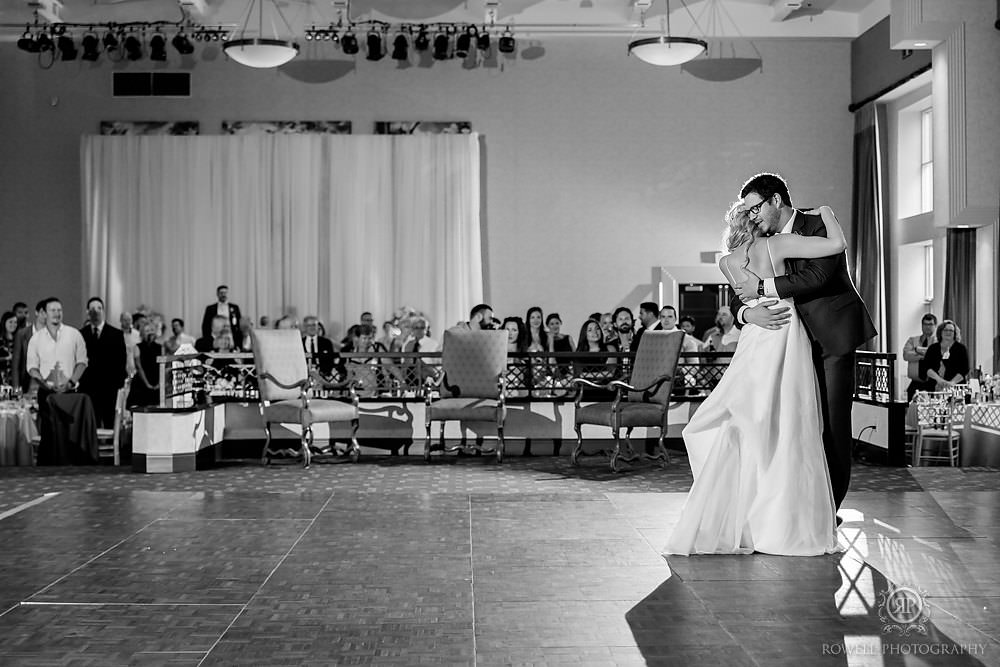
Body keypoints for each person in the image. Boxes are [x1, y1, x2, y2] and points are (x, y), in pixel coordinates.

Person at [664, 198, 863, 557]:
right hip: (785, 334)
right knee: (790, 423)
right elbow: (835, 246)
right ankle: (787, 518)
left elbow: (742, 304)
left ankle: (749, 518)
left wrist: (745, 315)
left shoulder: (726, 261)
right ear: (754, 222)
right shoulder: (775, 245)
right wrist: (829, 214)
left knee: (752, 420)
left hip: (755, 340)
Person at [730, 173, 876, 516]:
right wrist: (747, 316)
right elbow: (739, 291)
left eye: (756, 208)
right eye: (748, 212)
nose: (752, 216)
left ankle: (828, 511)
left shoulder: (819, 223)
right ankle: (791, 504)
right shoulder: (759, 240)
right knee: (794, 422)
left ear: (776, 200)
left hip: (831, 338)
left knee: (832, 423)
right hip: (788, 342)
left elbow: (818, 277)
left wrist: (763, 290)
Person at [78, 296, 128, 428]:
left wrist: (117, 386)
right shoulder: (81, 335)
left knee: (110, 423)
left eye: (99, 308)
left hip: (109, 390)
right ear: (87, 312)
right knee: (89, 425)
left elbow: (121, 362)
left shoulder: (116, 334)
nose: (96, 311)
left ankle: (112, 448)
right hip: (88, 389)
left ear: (103, 311)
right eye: (92, 309)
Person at [920, 320, 969, 391]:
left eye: (951, 330)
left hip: (955, 389)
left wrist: (951, 383)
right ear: (941, 332)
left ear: (955, 333)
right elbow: (926, 368)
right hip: (934, 388)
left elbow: (964, 369)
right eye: (945, 330)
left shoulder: (961, 349)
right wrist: (939, 380)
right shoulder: (933, 348)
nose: (948, 332)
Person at [903, 313, 938, 401]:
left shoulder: (938, 341)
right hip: (916, 382)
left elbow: (935, 355)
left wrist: (917, 350)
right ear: (922, 325)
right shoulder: (912, 340)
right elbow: (906, 355)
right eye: (925, 324)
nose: (927, 327)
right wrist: (923, 355)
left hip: (933, 382)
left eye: (930, 324)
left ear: (935, 326)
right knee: (911, 407)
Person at [201, 285, 243, 349]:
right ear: (217, 294)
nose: (223, 295)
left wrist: (238, 341)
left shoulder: (235, 307)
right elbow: (205, 326)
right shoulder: (210, 308)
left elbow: (239, 324)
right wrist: (208, 340)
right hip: (216, 337)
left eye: (225, 293)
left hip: (231, 337)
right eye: (221, 293)